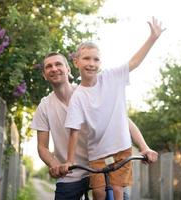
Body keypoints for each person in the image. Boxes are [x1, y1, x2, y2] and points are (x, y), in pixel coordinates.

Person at [62, 17, 164, 200]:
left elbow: (133, 62)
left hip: (122, 147)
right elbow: (74, 132)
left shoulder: (111, 77)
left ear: (100, 63)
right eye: (86, 59)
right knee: (99, 192)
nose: (91, 63)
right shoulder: (78, 96)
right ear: (76, 62)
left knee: (118, 190)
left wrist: (152, 39)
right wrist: (70, 161)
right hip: (97, 151)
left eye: (96, 59)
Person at [31, 52, 152, 200]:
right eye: (48, 66)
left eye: (58, 64)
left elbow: (122, 120)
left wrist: (144, 147)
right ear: (44, 74)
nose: (54, 68)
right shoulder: (45, 106)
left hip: (102, 166)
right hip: (72, 172)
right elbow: (42, 147)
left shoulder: (88, 93)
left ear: (68, 69)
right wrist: (54, 163)